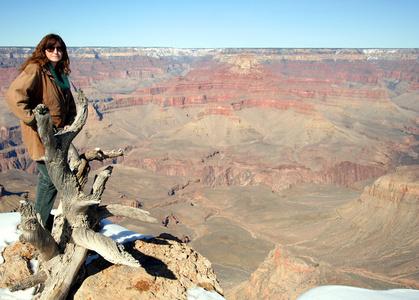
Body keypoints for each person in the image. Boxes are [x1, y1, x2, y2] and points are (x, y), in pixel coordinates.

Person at [6, 34, 77, 229]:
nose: (56, 52)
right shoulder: (36, 70)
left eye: (59, 48)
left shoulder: (60, 74)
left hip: (57, 136)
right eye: (51, 48)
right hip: (39, 135)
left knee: (51, 178)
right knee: (51, 177)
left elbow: (69, 103)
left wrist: (69, 122)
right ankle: (38, 224)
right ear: (43, 50)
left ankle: (40, 220)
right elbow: (14, 96)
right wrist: (35, 119)